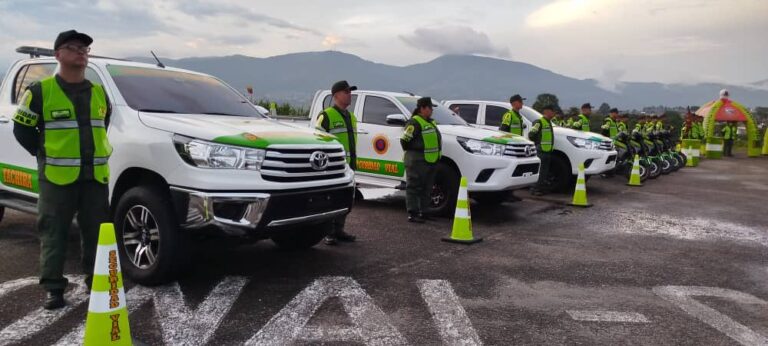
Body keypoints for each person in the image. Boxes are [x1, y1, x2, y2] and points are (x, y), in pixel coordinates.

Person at [12, 30, 112, 310]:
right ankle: (54, 289)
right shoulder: (40, 92)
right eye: (73, 47)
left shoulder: (98, 92)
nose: (81, 52)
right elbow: (22, 130)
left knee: (97, 232)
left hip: (94, 177)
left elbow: (103, 123)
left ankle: (97, 282)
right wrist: (43, 154)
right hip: (57, 177)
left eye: (85, 48)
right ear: (58, 55)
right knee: (53, 231)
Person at [315, 80, 358, 245]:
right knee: (330, 201)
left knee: (345, 200)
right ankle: (328, 233)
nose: (350, 95)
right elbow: (318, 140)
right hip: (332, 168)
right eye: (346, 92)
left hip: (348, 166)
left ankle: (339, 230)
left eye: (350, 92)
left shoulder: (351, 117)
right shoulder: (326, 115)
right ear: (336, 95)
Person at [401, 97, 442, 223]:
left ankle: (424, 212)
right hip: (417, 160)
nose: (432, 111)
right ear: (422, 108)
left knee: (427, 188)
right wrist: (416, 151)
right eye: (430, 108)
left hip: (430, 160)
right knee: (414, 187)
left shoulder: (430, 122)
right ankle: (413, 214)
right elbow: (404, 141)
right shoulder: (414, 122)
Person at [529, 105, 555, 196]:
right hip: (541, 151)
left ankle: (540, 188)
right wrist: (538, 144)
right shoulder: (539, 122)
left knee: (544, 172)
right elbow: (531, 134)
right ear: (547, 111)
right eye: (552, 111)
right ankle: (534, 189)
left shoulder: (548, 122)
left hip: (547, 151)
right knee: (539, 171)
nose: (554, 113)